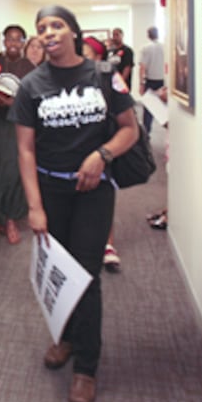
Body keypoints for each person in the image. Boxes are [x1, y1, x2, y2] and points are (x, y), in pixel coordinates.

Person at [10, 6, 138, 402]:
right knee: (60, 274)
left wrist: (102, 154)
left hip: (95, 192)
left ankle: (86, 365)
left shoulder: (102, 75)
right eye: (41, 27)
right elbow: (25, 151)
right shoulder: (31, 86)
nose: (48, 33)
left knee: (86, 275)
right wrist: (34, 207)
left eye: (56, 25)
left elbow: (130, 130)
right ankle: (66, 337)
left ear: (73, 31)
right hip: (50, 190)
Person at [0, 24, 35, 243]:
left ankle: (11, 218)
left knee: (13, 170)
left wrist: (12, 101)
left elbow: (32, 97)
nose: (13, 43)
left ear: (23, 42)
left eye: (17, 39)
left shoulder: (29, 66)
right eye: (9, 39)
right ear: (3, 41)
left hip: (17, 123)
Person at [83, 36, 122, 273]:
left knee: (104, 193)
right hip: (76, 146)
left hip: (103, 145)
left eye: (86, 55)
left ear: (98, 58)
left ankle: (108, 244)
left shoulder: (109, 78)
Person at [138, 26, 165, 133]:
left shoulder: (145, 48)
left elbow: (142, 67)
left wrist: (141, 83)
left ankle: (146, 133)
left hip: (150, 81)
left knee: (148, 109)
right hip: (163, 81)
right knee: (164, 108)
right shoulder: (164, 47)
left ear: (148, 35)